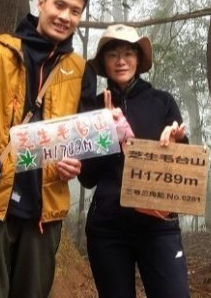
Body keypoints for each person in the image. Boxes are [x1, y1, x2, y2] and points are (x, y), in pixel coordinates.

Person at [0, 0, 97, 298]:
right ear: (41, 3)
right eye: (59, 5)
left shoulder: (80, 72)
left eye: (75, 11)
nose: (65, 16)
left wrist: (76, 164)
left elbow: (82, 143)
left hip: (43, 216)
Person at [79, 23, 192, 298]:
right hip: (108, 229)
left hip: (158, 225)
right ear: (104, 63)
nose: (121, 61)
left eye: (128, 53)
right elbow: (87, 177)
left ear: (138, 60)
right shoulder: (93, 108)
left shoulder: (162, 102)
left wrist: (175, 142)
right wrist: (105, 132)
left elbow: (183, 168)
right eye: (112, 55)